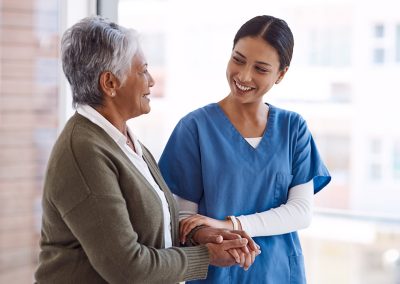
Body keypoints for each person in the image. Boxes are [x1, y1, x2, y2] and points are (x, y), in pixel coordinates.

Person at [34, 16, 261, 284]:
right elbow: (127, 268)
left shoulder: (122, 139)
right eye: (142, 71)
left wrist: (196, 234)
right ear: (109, 83)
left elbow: (142, 224)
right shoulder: (84, 151)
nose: (151, 81)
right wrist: (205, 255)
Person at [159, 15, 331, 283]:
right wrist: (211, 233)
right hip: (217, 273)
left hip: (280, 273)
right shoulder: (194, 128)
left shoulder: (293, 129)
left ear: (281, 74)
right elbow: (185, 219)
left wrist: (231, 224)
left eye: (261, 69)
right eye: (238, 59)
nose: (244, 75)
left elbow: (300, 212)